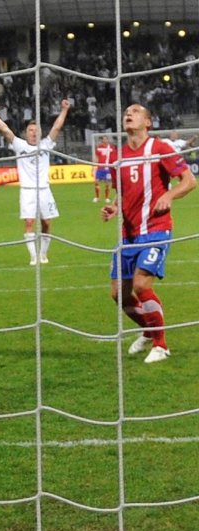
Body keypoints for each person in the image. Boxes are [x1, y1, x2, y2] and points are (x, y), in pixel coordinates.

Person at [101, 104, 196, 364]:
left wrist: (169, 195)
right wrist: (114, 207)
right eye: (126, 112)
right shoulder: (117, 158)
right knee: (118, 293)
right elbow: (124, 193)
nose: (128, 114)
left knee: (142, 284)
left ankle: (161, 345)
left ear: (148, 122)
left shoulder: (159, 149)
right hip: (128, 235)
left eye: (135, 111)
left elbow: (189, 181)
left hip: (155, 229)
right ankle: (149, 329)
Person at [0, 99, 71, 265]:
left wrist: (64, 110)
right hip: (27, 190)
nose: (33, 133)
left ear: (40, 133)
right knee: (29, 222)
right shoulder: (20, 145)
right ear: (26, 133)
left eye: (36, 130)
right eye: (31, 130)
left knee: (47, 223)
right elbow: (5, 130)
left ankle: (43, 254)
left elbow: (56, 127)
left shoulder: (46, 144)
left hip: (44, 189)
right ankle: (33, 256)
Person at [93, 135, 117, 203]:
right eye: (104, 139)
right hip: (100, 168)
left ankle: (107, 198)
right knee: (96, 182)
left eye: (106, 139)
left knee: (107, 183)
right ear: (102, 140)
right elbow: (96, 157)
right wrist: (95, 164)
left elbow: (114, 157)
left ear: (108, 140)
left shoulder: (111, 148)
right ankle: (97, 197)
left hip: (108, 168)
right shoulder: (99, 148)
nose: (105, 140)